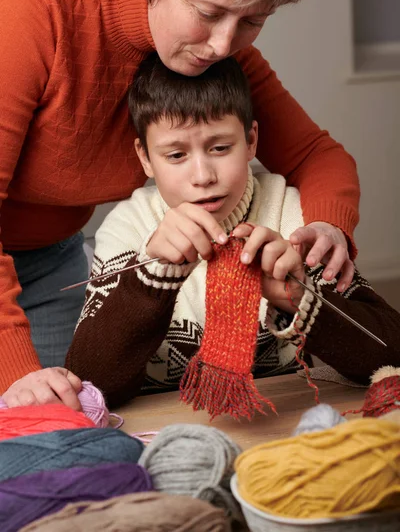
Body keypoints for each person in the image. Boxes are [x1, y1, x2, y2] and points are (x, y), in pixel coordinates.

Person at [0, 0, 359, 407]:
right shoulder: (31, 10)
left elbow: (316, 154)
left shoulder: (214, 52)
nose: (223, 44)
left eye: (253, 19)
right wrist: (15, 370)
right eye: (208, 13)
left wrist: (329, 224)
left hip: (52, 256)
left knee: (65, 427)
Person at [63, 54, 400, 410]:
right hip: (162, 429)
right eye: (176, 155)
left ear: (251, 140)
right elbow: (92, 383)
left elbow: (390, 354)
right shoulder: (128, 226)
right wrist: (153, 275)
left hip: (283, 419)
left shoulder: (295, 217)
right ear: (145, 157)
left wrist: (300, 297)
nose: (203, 175)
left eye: (220, 148)